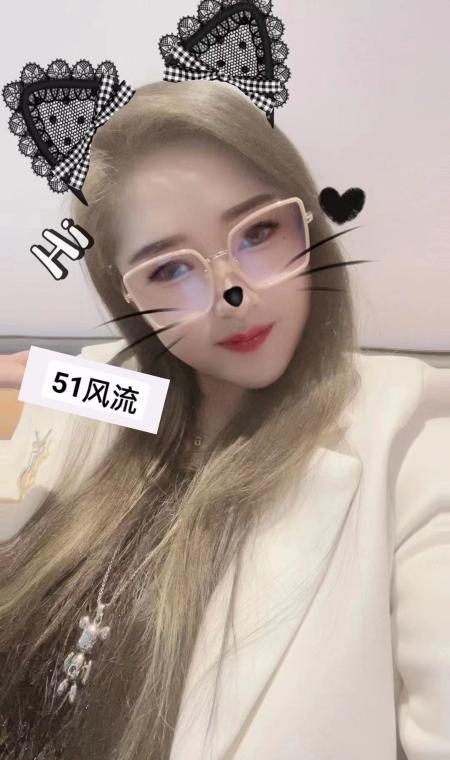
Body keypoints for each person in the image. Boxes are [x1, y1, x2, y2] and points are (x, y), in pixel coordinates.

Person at [0, 79, 449, 760]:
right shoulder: (128, 392)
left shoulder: (411, 436)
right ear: (126, 294)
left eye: (259, 231)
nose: (231, 294)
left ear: (308, 224)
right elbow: (90, 386)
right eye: (169, 270)